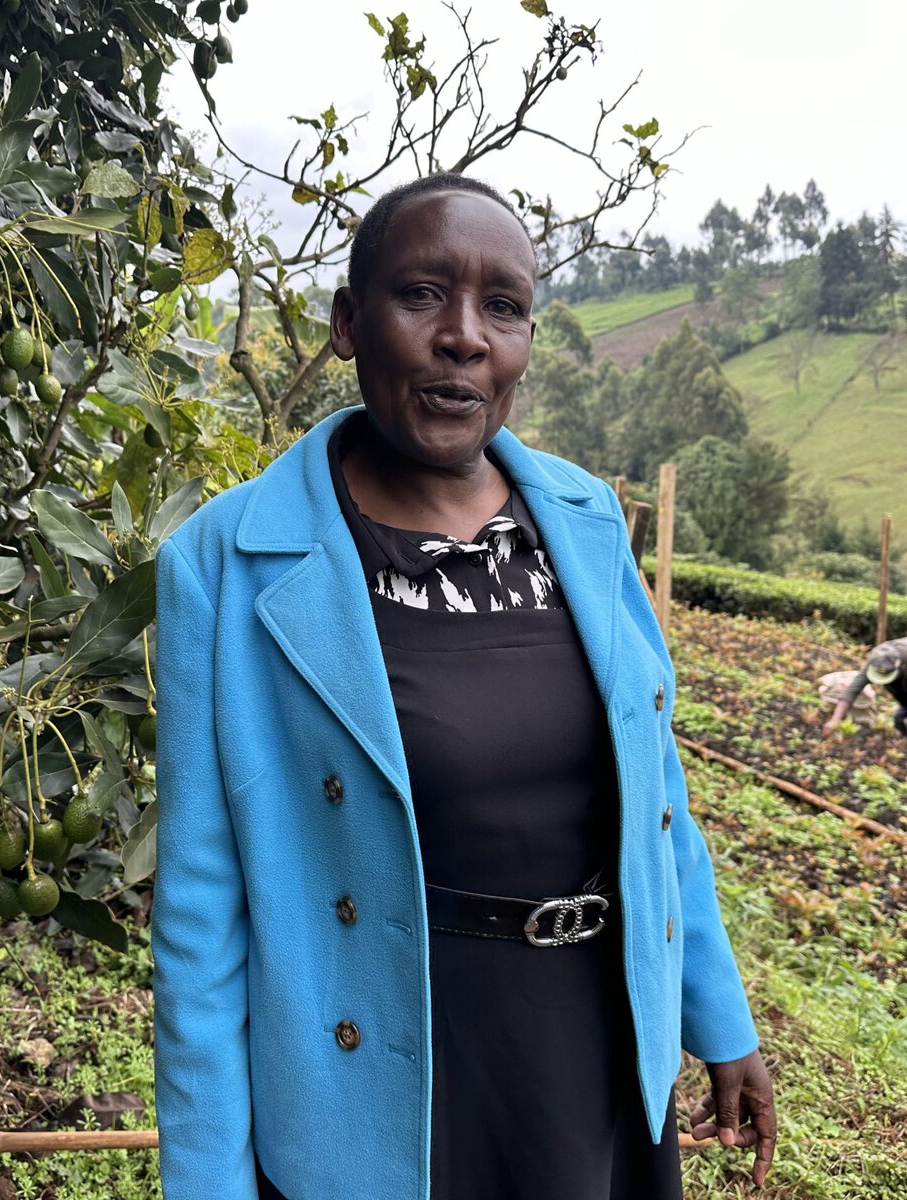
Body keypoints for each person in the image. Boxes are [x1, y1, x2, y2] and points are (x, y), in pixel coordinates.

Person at [153, 173, 774, 1200]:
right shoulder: (226, 564)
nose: (463, 337)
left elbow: (658, 809)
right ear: (350, 322)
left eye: (503, 307)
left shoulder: (582, 520)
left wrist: (719, 1019)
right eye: (420, 294)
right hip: (379, 1068)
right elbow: (199, 917)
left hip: (591, 1042)